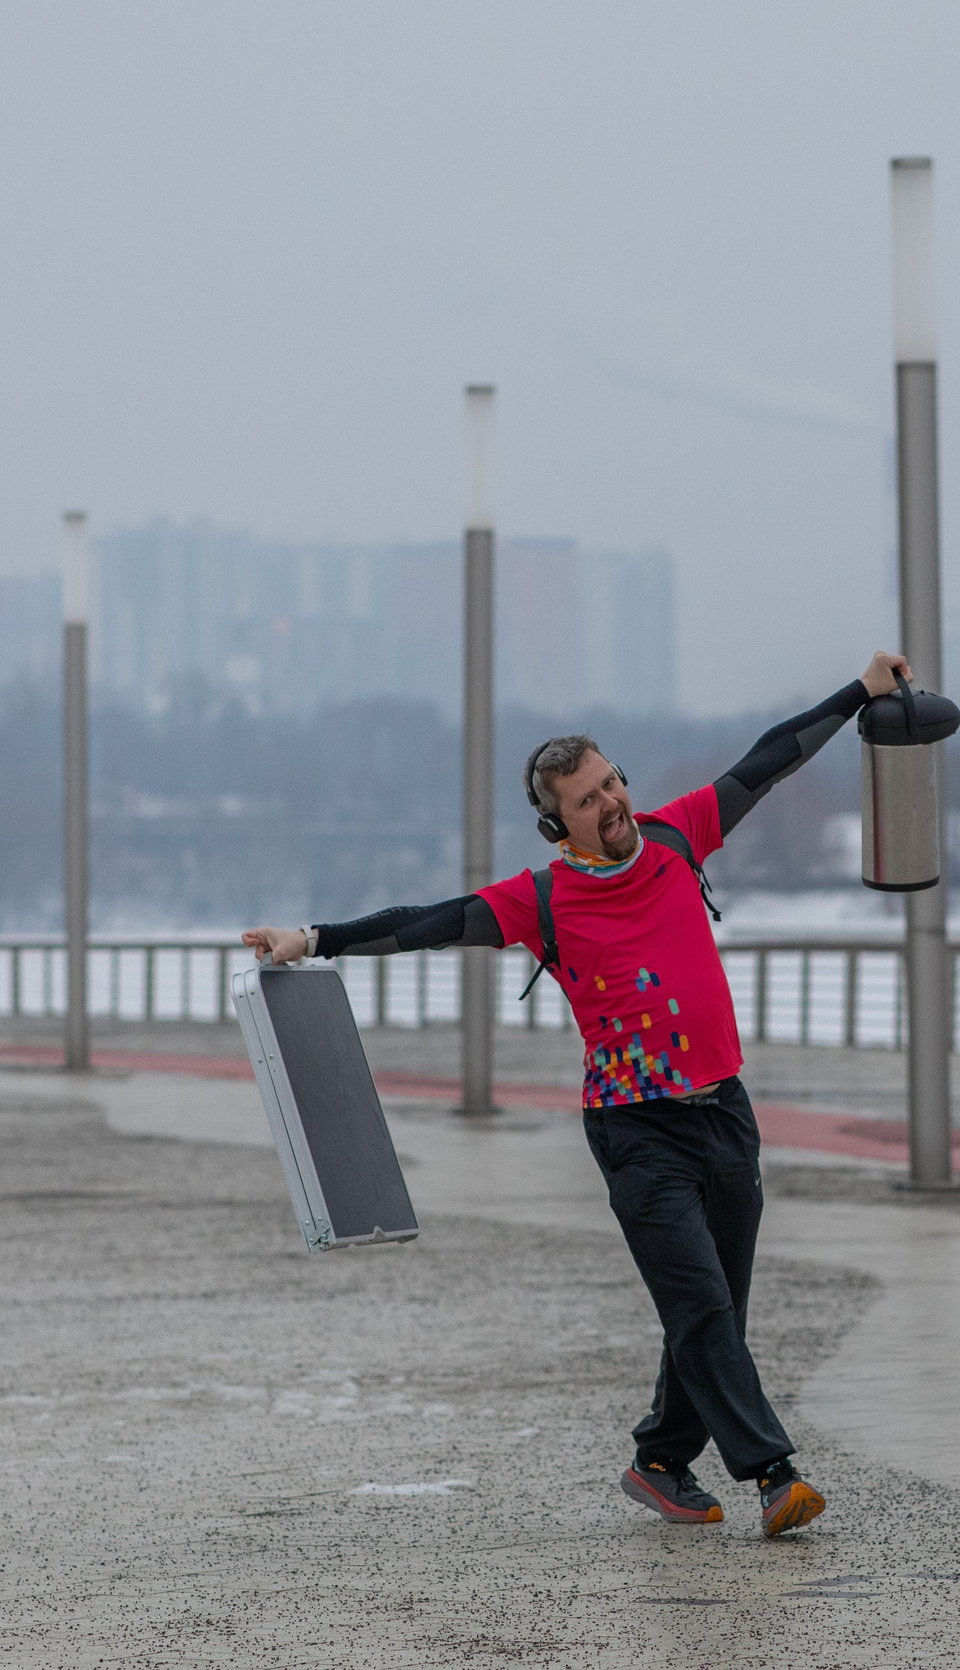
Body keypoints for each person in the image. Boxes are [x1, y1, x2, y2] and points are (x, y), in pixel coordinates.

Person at [243, 650, 911, 1539]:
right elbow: (425, 923)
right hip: (635, 1133)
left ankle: (660, 1463)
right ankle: (775, 1477)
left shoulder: (680, 836)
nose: (612, 803)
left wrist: (858, 693)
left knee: (712, 1308)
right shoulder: (542, 901)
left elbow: (770, 756)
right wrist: (312, 937)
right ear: (560, 826)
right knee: (703, 1306)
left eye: (612, 782)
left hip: (724, 1112)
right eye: (588, 800)